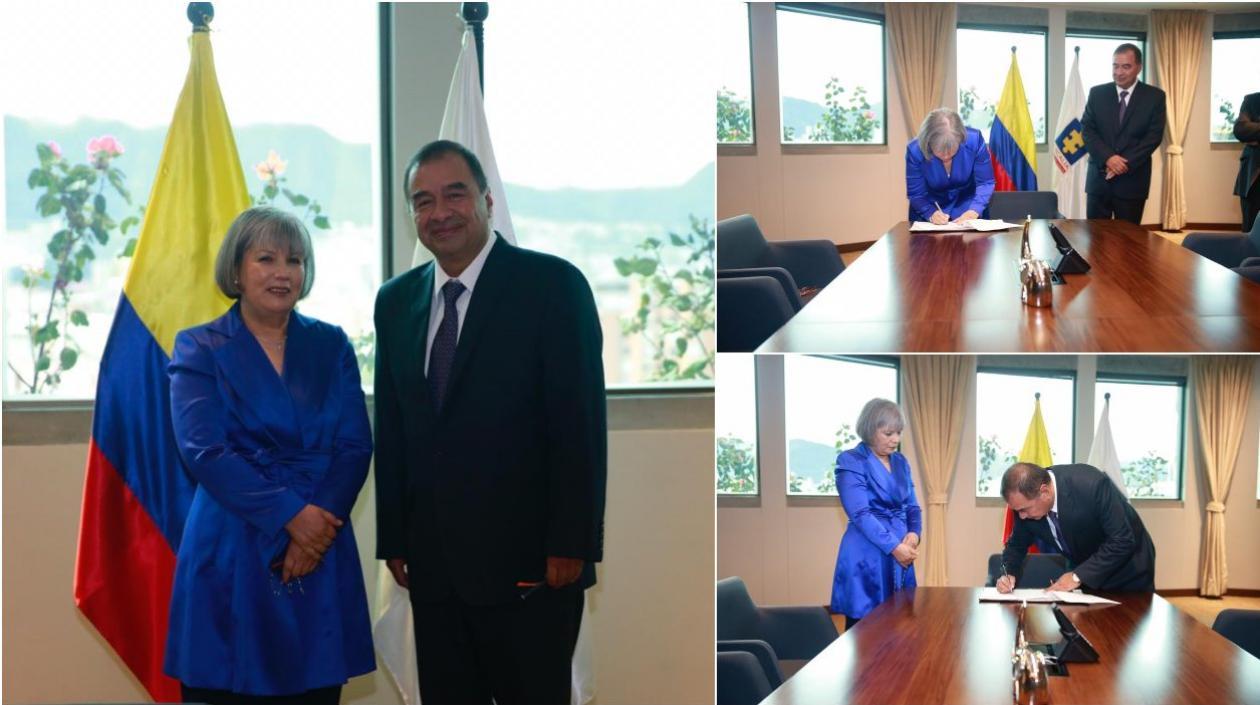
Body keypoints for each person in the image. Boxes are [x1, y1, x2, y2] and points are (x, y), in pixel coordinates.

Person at [374, 140, 607, 705]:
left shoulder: (553, 286)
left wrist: (571, 543)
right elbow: (394, 426)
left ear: (486, 201)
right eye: (422, 200)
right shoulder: (395, 301)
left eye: (455, 194)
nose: (440, 212)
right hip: (433, 570)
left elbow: (579, 423)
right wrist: (394, 539)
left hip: (531, 565)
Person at [165, 206, 375, 704]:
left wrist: (313, 531)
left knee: (314, 690)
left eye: (295, 260)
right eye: (266, 258)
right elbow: (205, 452)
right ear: (236, 271)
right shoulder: (199, 346)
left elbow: (354, 446)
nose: (283, 272)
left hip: (320, 545)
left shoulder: (332, 344)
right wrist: (291, 517)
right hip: (231, 546)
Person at [830, 398, 922, 631]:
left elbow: (912, 507)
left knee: (902, 625)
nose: (896, 440)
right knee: (863, 629)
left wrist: (914, 534)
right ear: (870, 430)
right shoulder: (851, 460)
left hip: (901, 549)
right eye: (889, 433)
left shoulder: (901, 462)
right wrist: (895, 547)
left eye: (899, 433)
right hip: (867, 551)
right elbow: (860, 513)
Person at [996, 462, 1155, 594]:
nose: (1021, 516)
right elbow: (1016, 546)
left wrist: (1076, 576)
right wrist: (1008, 574)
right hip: (1088, 572)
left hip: (1129, 569)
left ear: (1044, 492)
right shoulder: (1025, 505)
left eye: (1024, 510)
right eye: (1017, 511)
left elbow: (1122, 540)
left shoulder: (1091, 484)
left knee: (1124, 627)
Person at [1080, 43, 1167, 225]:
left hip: (1132, 181)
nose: (1118, 72)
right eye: (1115, 66)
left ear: (1138, 67)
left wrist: (1122, 164)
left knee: (1129, 242)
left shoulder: (1155, 97)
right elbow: (1087, 130)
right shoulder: (1097, 94)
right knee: (1095, 239)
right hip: (1099, 180)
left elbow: (1153, 137)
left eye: (1125, 66)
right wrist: (1109, 158)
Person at [905, 107, 996, 225]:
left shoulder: (974, 140)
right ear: (927, 142)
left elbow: (986, 182)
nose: (946, 155)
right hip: (929, 209)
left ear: (961, 138)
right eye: (939, 150)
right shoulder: (915, 151)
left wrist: (974, 210)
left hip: (969, 206)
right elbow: (916, 194)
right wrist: (930, 213)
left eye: (952, 149)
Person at [1233, 91, 1260, 232]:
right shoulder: (1252, 100)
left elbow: (1250, 130)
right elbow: (1240, 129)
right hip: (1254, 177)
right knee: (1251, 232)